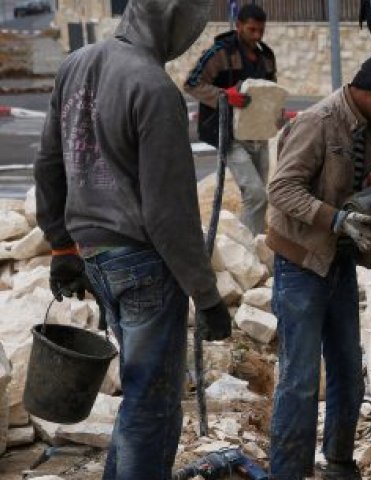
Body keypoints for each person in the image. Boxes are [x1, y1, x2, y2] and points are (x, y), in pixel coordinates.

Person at [33, 1, 231, 479]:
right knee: (151, 404)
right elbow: (169, 212)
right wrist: (206, 295)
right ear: (171, 22)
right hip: (143, 264)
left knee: (139, 394)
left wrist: (62, 247)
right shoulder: (153, 87)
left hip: (95, 256)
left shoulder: (76, 65)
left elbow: (48, 164)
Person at [266, 51, 371, 480]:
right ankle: (287, 473)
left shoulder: (364, 128)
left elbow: (341, 182)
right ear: (370, 92)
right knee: (300, 380)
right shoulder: (318, 122)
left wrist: (368, 187)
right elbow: (281, 189)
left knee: (349, 371)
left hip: (337, 262)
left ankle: (338, 464)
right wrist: (335, 220)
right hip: (301, 265)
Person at [184, 4, 277, 236]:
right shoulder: (220, 53)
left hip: (258, 133)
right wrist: (225, 96)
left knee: (257, 197)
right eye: (252, 30)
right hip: (228, 135)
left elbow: (271, 91)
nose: (257, 36)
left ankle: (251, 244)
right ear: (238, 26)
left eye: (261, 30)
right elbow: (192, 83)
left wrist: (276, 113)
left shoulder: (266, 57)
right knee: (256, 195)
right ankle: (246, 245)